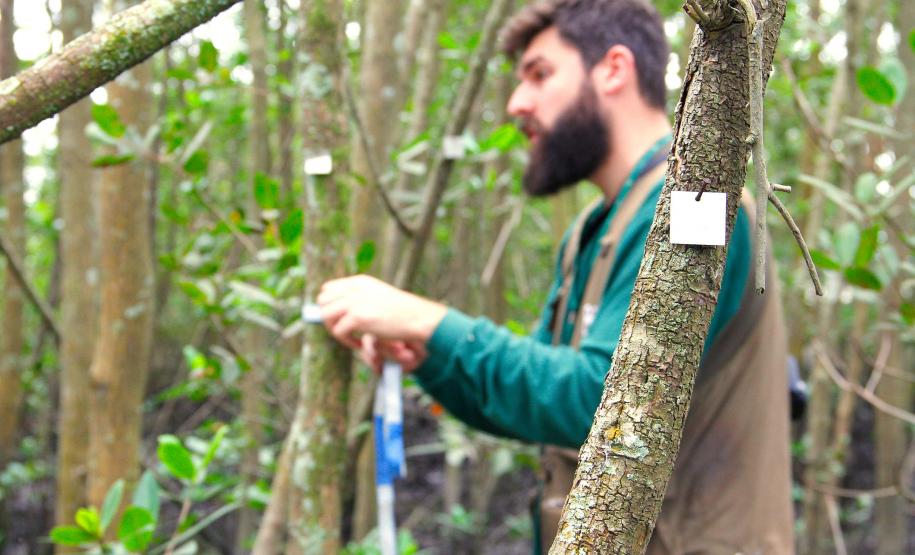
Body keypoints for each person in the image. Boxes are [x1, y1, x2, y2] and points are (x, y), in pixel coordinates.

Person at [318, 0, 794, 552]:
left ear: (613, 69)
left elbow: (601, 404)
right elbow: (545, 400)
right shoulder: (595, 228)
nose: (516, 103)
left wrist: (431, 321)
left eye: (540, 74)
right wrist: (430, 353)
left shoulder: (700, 207)